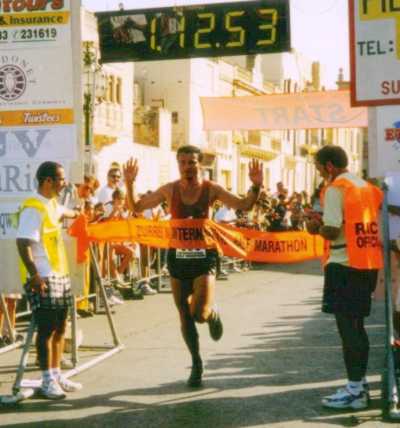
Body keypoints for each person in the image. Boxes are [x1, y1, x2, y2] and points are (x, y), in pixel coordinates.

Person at [123, 145, 263, 387]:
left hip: (204, 256)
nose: (187, 166)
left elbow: (245, 205)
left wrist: (256, 186)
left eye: (192, 162)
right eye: (183, 162)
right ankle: (196, 363)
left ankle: (212, 313)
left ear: (200, 164)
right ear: (178, 164)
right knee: (183, 314)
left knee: (198, 313)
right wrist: (129, 183)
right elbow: (137, 207)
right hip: (177, 256)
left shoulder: (211, 189)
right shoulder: (170, 190)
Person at [305, 145, 383, 410]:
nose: (318, 173)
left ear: (328, 166)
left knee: (348, 330)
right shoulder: (366, 187)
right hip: (368, 261)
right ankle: (359, 386)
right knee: (357, 328)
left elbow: (331, 229)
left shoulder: (336, 187)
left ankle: (355, 390)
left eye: (318, 167)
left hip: (344, 263)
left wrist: (314, 224)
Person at [16, 161, 83, 400]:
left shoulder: (52, 204)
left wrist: (80, 210)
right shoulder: (34, 208)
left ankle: (56, 374)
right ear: (47, 181)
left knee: (60, 326)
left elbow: (68, 212)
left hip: (58, 275)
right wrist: (34, 274)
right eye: (60, 179)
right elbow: (23, 242)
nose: (64, 183)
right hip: (42, 277)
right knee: (46, 329)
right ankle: (46, 380)